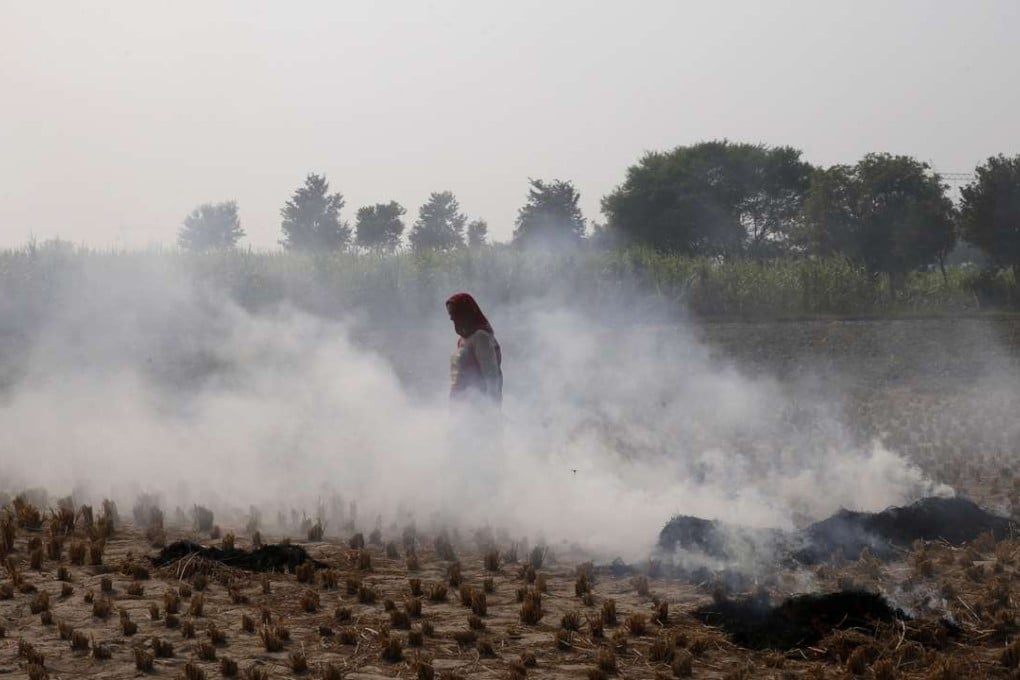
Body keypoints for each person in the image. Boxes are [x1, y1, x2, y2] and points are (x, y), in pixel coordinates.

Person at [446, 292, 502, 406]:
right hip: (462, 403)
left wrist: (493, 407)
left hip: (478, 404)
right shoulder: (462, 340)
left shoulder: (481, 337)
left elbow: (491, 376)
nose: (451, 318)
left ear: (465, 313)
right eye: (450, 313)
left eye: (454, 313)